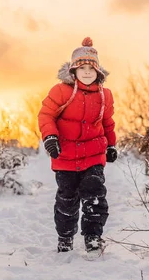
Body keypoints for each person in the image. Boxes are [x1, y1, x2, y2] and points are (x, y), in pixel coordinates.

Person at [38, 37, 117, 253]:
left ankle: (92, 236)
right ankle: (65, 236)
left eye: (91, 67)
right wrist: (50, 138)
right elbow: (46, 115)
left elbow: (107, 122)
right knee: (67, 198)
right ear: (73, 70)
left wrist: (111, 145)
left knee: (95, 195)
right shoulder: (61, 91)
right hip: (65, 156)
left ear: (98, 71)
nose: (87, 71)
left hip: (93, 156)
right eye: (82, 67)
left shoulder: (105, 95)